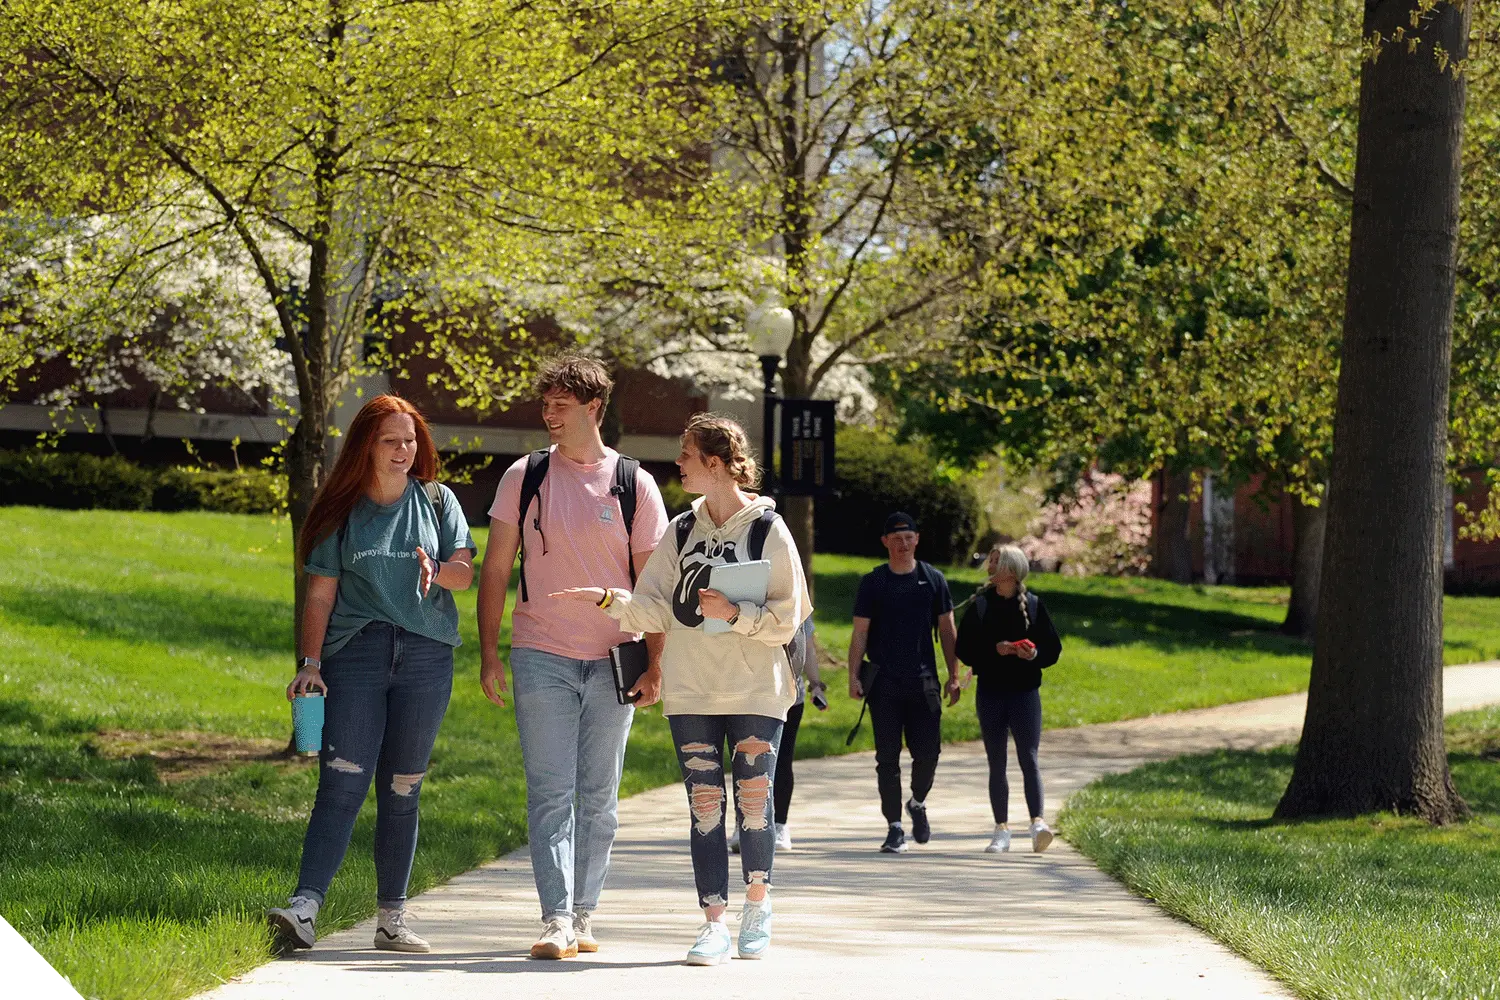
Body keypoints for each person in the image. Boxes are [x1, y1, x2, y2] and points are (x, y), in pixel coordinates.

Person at [551, 412, 811, 966]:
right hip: (691, 691)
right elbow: (654, 606)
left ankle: (758, 906)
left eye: (687, 455)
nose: (679, 464)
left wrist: (736, 613)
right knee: (704, 807)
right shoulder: (682, 529)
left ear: (715, 464)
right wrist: (605, 599)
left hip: (756, 691)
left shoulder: (769, 530)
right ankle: (713, 922)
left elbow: (788, 619)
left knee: (755, 805)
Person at [475, 355, 668, 960]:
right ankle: (555, 917)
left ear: (594, 409)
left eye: (561, 405)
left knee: (599, 797)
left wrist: (656, 663)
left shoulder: (634, 483)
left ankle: (585, 913)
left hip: (615, 659)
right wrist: (488, 652)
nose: (549, 415)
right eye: (546, 405)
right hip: (541, 654)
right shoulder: (524, 476)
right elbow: (496, 568)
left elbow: (653, 585)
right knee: (551, 791)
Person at [268, 394, 476, 954]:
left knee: (403, 786)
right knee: (342, 780)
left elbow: (464, 571)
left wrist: (440, 572)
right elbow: (319, 596)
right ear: (366, 445)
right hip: (356, 657)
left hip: (427, 658)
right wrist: (310, 665)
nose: (404, 450)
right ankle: (305, 906)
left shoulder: (436, 500)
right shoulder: (342, 512)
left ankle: (392, 919)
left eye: (410, 440)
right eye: (391, 440)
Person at [847, 512, 961, 854]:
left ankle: (917, 802)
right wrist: (853, 675)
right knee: (888, 758)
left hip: (924, 680)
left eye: (909, 537)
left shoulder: (933, 579)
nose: (903, 544)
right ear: (885, 542)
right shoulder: (873, 582)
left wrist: (954, 675)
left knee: (929, 753)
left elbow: (947, 630)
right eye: (896, 538)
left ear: (917, 539)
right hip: (884, 683)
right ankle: (894, 826)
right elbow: (860, 633)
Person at [955, 544, 1063, 853]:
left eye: (994, 561)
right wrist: (994, 650)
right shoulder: (980, 605)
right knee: (996, 761)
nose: (988, 565)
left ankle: (1037, 823)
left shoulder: (1033, 604)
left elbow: (1052, 650)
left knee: (1028, 758)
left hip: (1025, 693)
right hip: (990, 691)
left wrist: (1032, 654)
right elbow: (963, 648)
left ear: (1011, 569)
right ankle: (1001, 829)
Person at [731, 616, 825, 854]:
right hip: (747, 694)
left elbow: (808, 646)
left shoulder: (796, 599)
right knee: (745, 760)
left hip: (790, 696)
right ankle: (743, 823)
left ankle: (779, 824)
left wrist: (816, 684)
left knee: (781, 761)